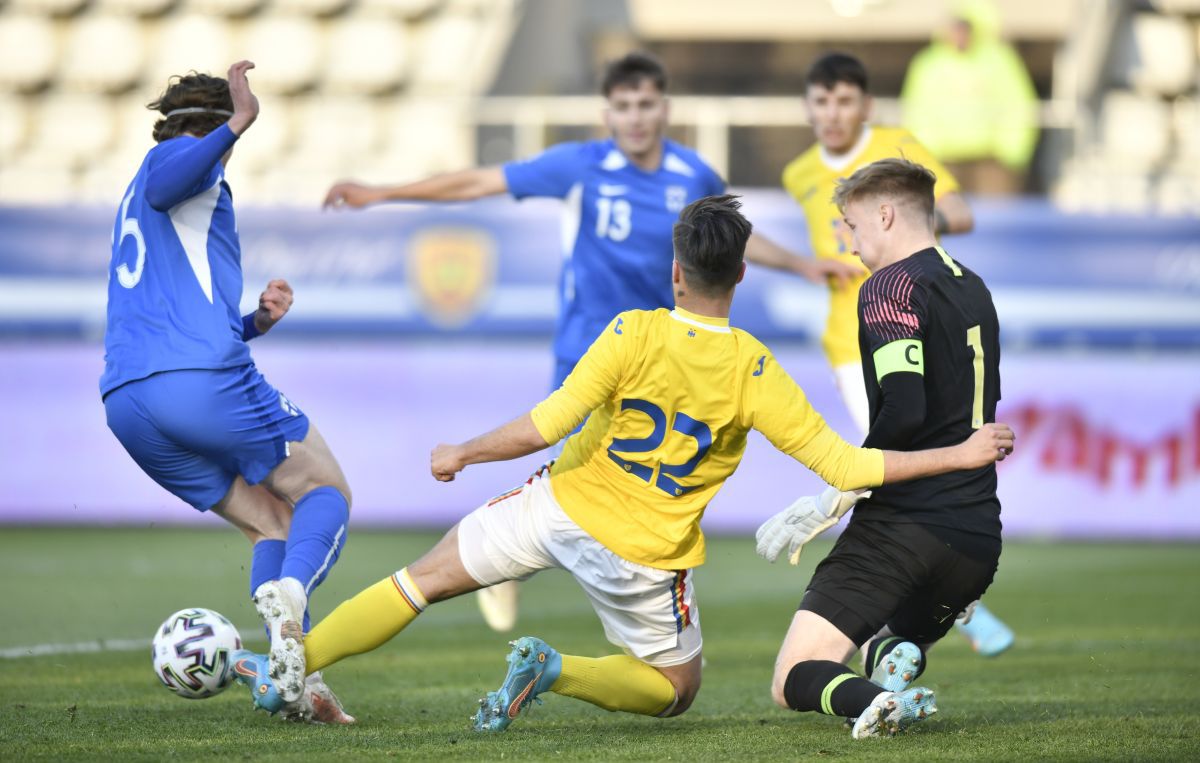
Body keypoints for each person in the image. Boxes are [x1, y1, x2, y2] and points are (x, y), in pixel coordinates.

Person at [232, 195, 1015, 733]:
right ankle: (556, 669)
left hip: (559, 505)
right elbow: (848, 463)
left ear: (676, 272)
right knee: (677, 691)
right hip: (645, 555)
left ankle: (291, 664)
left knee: (420, 580)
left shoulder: (631, 331)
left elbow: (545, 425)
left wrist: (465, 451)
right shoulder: (752, 368)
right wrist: (961, 451)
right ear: (740, 275)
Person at [323, 51, 858, 634]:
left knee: (624, 477)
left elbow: (728, 243)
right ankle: (506, 566)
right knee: (569, 474)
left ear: (664, 108)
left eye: (646, 105)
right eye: (623, 107)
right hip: (589, 349)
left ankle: (592, 577)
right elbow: (480, 181)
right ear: (607, 111)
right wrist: (382, 193)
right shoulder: (578, 165)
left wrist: (803, 264)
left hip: (661, 353)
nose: (635, 118)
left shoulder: (692, 175)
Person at [101, 61, 353, 723]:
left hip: (129, 404)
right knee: (325, 490)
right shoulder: (179, 164)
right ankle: (293, 597)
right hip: (202, 383)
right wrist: (236, 123)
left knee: (268, 519)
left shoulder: (138, 198)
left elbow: (174, 313)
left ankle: (299, 682)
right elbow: (168, 181)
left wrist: (255, 323)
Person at [758, 158, 1008, 737]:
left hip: (902, 527)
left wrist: (840, 490)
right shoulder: (973, 285)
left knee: (792, 677)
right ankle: (896, 654)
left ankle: (876, 702)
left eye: (850, 224)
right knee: (886, 636)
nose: (848, 243)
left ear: (886, 214)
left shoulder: (889, 287)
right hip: (974, 541)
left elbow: (904, 409)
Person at [781, 51, 1013, 656]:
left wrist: (913, 235)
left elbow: (953, 209)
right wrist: (807, 264)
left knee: (891, 464)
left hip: (903, 312)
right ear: (809, 107)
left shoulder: (897, 148)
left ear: (865, 106)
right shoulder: (799, 172)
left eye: (844, 100)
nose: (833, 112)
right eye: (822, 101)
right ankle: (928, 613)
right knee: (895, 463)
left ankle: (937, 598)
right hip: (848, 343)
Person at [900, 0, 1039, 195]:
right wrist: (924, 155)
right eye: (955, 27)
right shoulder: (928, 64)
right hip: (943, 160)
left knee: (996, 222)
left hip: (992, 162)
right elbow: (916, 111)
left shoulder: (1000, 61)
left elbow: (1018, 107)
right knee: (943, 218)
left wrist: (1012, 153)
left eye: (965, 27)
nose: (959, 33)